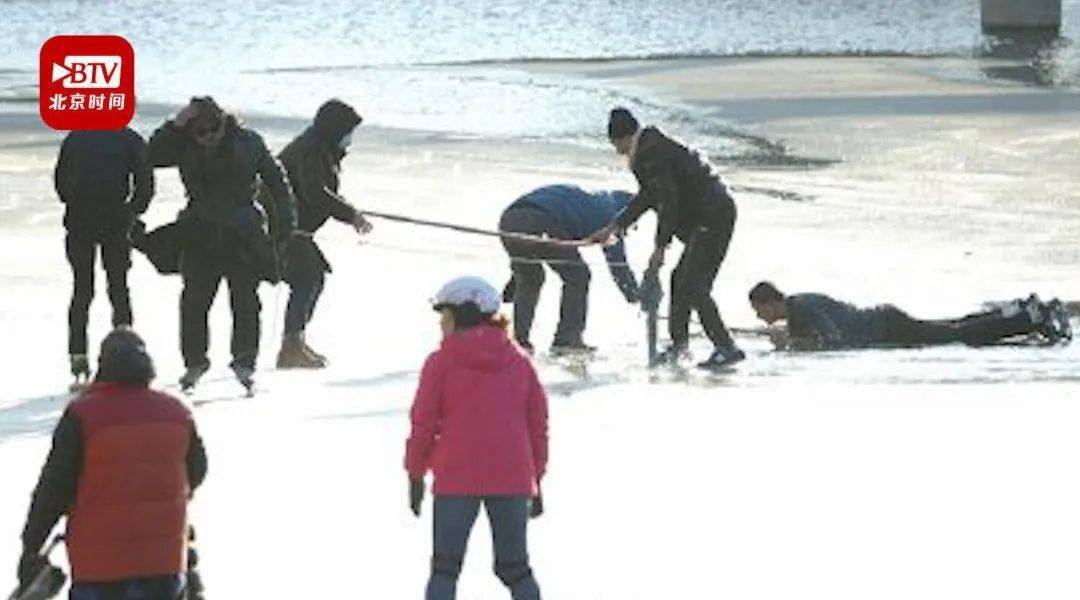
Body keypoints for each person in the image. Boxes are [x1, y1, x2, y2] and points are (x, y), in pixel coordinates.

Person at [16, 328, 208, 600]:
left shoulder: (83, 415)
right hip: (162, 565)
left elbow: (54, 488)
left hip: (98, 570)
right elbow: (197, 471)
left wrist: (32, 544)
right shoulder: (177, 413)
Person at [405, 276, 548, 600]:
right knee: (515, 568)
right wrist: (536, 480)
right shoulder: (520, 363)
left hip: (456, 477)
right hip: (512, 477)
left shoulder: (439, 363)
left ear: (463, 315)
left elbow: (423, 424)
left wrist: (415, 473)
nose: (442, 325)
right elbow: (537, 427)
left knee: (445, 568)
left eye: (446, 317)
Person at [147, 97, 297, 391]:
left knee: (245, 302)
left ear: (223, 123)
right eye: (199, 133)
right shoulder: (182, 143)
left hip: (242, 231)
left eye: (212, 130)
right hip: (199, 231)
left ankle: (244, 362)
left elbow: (278, 183)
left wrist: (285, 228)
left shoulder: (249, 142)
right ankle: (194, 363)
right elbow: (151, 156)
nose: (207, 138)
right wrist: (174, 125)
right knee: (193, 302)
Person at [588, 107, 745, 369]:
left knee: (695, 285)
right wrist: (614, 227)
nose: (616, 150)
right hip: (708, 214)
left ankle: (726, 348)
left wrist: (661, 246)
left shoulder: (650, 153)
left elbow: (668, 201)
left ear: (623, 137)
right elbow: (649, 196)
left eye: (615, 143)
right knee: (679, 280)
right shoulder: (649, 148)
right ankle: (679, 346)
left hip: (712, 215)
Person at [274, 99, 372, 369]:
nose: (350, 139)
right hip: (286, 228)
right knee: (307, 278)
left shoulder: (319, 148)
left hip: (297, 230)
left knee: (313, 278)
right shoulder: (311, 150)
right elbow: (314, 192)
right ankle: (290, 346)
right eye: (347, 132)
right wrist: (350, 214)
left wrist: (347, 211)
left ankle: (295, 341)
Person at [54, 128, 155, 384]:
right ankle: (126, 355)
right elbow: (145, 182)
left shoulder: (76, 136)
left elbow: (61, 181)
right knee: (118, 289)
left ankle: (78, 355)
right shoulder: (129, 138)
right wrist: (132, 211)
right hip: (115, 221)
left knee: (82, 290)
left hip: (81, 220)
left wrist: (75, 200)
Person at [499, 184, 638, 354]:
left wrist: (515, 281)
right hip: (542, 220)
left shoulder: (591, 199)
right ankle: (567, 339)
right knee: (578, 276)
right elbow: (618, 265)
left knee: (530, 279)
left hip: (509, 219)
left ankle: (520, 342)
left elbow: (529, 237)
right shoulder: (611, 215)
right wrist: (637, 298)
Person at [747, 281, 1073, 350]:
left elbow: (834, 341)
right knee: (954, 327)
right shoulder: (800, 306)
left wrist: (791, 344)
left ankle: (1026, 318)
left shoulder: (802, 309)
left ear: (770, 302)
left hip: (887, 327)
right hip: (885, 321)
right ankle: (1019, 313)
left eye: (759, 310)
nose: (760, 318)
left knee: (957, 335)